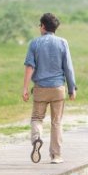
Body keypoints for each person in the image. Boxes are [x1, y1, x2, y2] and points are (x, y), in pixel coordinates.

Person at [21, 13, 76, 164]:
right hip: (58, 88)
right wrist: (72, 89)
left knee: (37, 118)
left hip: (40, 89)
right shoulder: (63, 42)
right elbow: (68, 68)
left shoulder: (34, 43)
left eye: (40, 25)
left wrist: (25, 88)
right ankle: (56, 156)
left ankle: (37, 138)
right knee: (56, 122)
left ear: (43, 26)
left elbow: (29, 66)